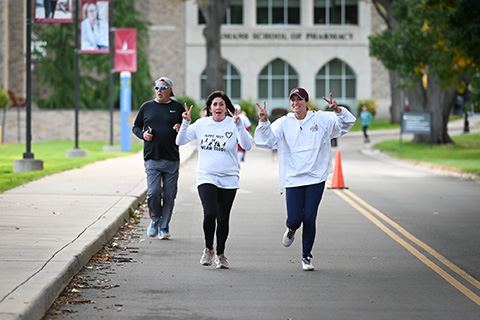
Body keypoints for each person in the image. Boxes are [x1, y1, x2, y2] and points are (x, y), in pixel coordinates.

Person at [254, 88, 356, 271]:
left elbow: (347, 124)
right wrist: (263, 121)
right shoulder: (284, 122)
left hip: (316, 177)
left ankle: (306, 256)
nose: (295, 103)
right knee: (295, 219)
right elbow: (266, 141)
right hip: (293, 178)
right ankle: (291, 229)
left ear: (306, 102)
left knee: (309, 217)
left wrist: (338, 110)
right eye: (292, 100)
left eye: (299, 100)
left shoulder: (321, 118)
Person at [176, 91, 252, 269]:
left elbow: (247, 145)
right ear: (210, 108)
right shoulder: (202, 124)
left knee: (223, 218)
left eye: (222, 104)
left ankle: (221, 254)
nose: (218, 107)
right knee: (210, 212)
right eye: (215, 104)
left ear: (227, 108)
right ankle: (208, 249)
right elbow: (180, 141)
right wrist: (186, 122)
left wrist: (240, 126)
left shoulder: (233, 124)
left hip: (229, 178)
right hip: (206, 176)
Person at [132, 77, 184, 240]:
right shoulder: (146, 107)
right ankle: (155, 218)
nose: (159, 90)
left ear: (170, 90)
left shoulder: (177, 108)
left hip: (171, 158)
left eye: (163, 87)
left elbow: (186, 131)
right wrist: (143, 135)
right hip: (152, 158)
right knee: (154, 192)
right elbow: (136, 127)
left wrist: (181, 127)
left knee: (169, 194)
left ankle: (164, 227)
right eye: (157, 87)